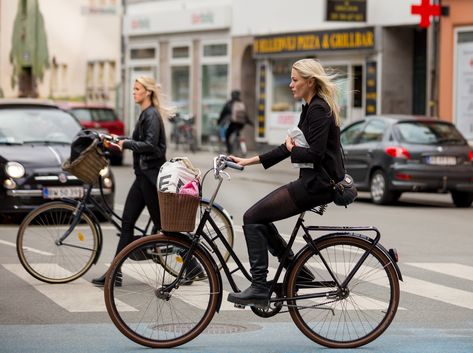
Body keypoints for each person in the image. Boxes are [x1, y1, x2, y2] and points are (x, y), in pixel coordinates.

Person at [227, 59, 345, 307]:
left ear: (310, 82)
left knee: (252, 217)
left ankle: (259, 287)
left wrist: (293, 149)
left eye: (295, 79)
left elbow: (315, 154)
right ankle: (296, 269)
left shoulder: (319, 110)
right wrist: (246, 161)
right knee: (260, 217)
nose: (291, 84)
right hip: (312, 182)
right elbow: (287, 148)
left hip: (319, 185)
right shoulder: (310, 107)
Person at [92, 76, 173, 286]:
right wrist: (118, 139)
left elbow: (149, 145)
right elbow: (142, 140)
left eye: (137, 89)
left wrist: (125, 143)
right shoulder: (146, 114)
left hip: (151, 177)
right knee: (127, 223)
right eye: (133, 89)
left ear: (147, 92)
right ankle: (114, 274)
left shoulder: (152, 115)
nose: (133, 92)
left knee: (164, 227)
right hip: (143, 176)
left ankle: (194, 266)